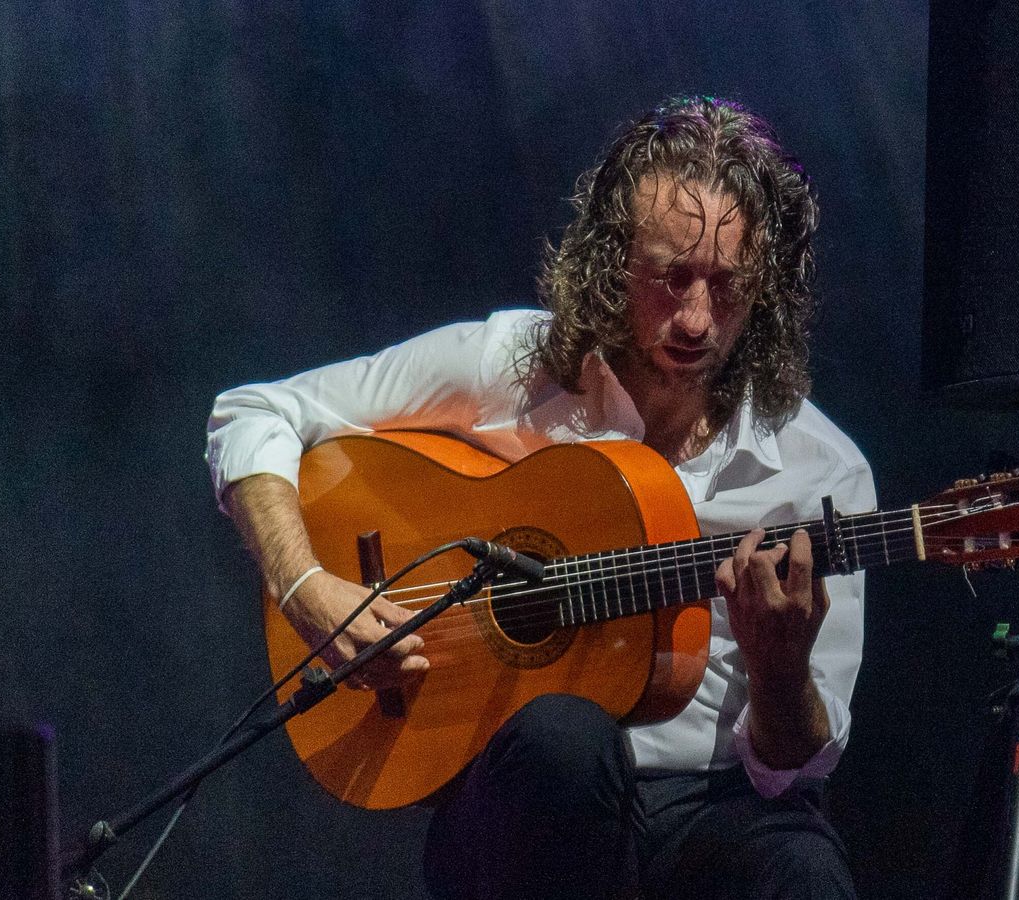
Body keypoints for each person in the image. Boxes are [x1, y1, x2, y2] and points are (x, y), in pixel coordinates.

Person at [205, 96, 874, 900]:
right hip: (525, 798)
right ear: (611, 261)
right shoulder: (516, 366)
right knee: (565, 737)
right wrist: (308, 586)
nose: (696, 317)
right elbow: (257, 413)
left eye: (727, 286)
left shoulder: (821, 472)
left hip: (719, 807)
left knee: (804, 871)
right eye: (669, 278)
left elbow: (788, 769)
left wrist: (779, 669)